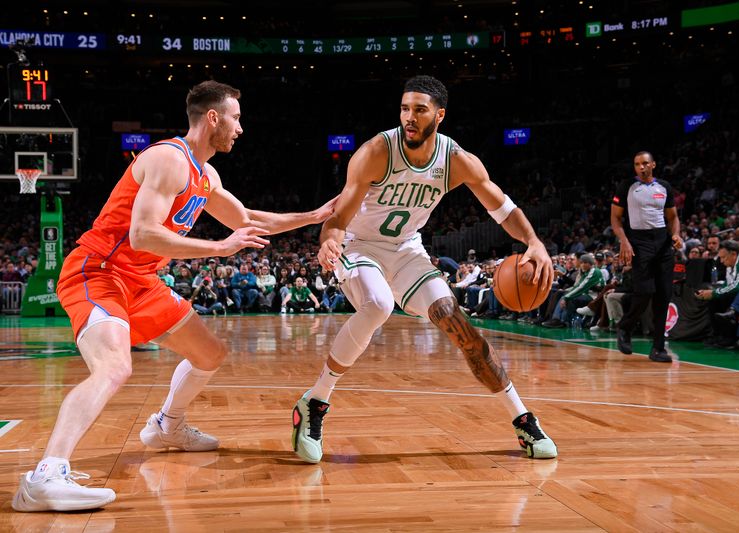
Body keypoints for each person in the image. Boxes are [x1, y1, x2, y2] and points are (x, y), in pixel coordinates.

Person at [13, 80, 335, 512]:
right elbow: (142, 234)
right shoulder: (168, 158)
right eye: (236, 118)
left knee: (210, 353)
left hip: (143, 282)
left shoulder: (206, 175)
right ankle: (44, 477)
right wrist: (219, 248)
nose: (241, 128)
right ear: (213, 118)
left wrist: (315, 216)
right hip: (99, 272)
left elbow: (247, 219)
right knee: (113, 368)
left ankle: (167, 425)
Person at [291, 75, 557, 465]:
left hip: (406, 251)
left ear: (440, 115)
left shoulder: (455, 160)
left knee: (458, 324)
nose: (409, 117)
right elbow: (337, 218)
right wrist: (329, 240)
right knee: (378, 304)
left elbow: (501, 207)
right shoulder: (376, 151)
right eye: (404, 108)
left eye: (419, 110)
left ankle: (523, 418)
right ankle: (314, 403)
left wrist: (533, 242)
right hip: (360, 246)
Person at [611, 151, 683, 362]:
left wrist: (676, 234)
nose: (641, 167)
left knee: (663, 295)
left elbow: (673, 217)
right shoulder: (626, 186)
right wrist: (624, 241)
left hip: (662, 242)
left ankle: (658, 349)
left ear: (653, 164)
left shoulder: (664, 187)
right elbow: (615, 218)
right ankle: (624, 327)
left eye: (644, 163)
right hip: (638, 242)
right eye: (636, 164)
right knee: (644, 292)